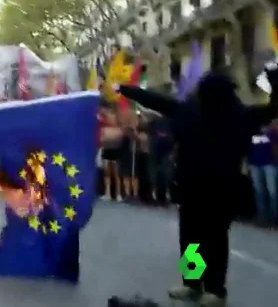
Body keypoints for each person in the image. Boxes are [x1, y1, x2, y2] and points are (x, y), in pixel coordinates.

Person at [114, 66, 278, 307]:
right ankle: (202, 287)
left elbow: (156, 101)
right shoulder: (241, 115)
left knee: (195, 239)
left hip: (198, 186)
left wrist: (124, 89)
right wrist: (274, 80)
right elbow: (272, 109)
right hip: (218, 188)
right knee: (212, 240)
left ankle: (205, 287)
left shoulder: (191, 112)